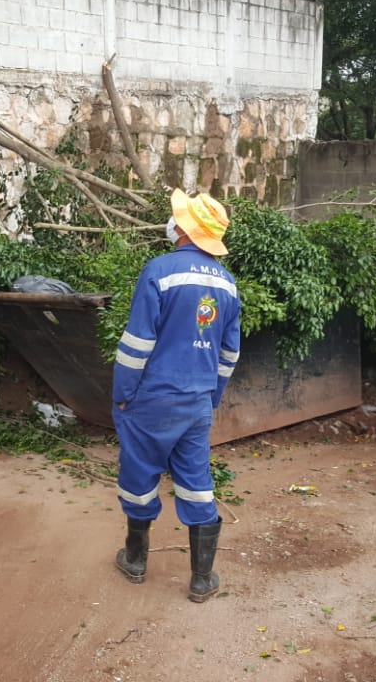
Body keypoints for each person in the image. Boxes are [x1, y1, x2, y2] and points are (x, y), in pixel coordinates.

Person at [112, 189, 241, 603]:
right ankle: (202, 579)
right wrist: (212, 397)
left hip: (152, 399)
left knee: (139, 476)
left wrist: (122, 395)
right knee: (196, 481)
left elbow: (137, 343)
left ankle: (135, 560)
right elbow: (229, 354)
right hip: (197, 402)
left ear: (185, 229)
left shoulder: (159, 271)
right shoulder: (229, 285)